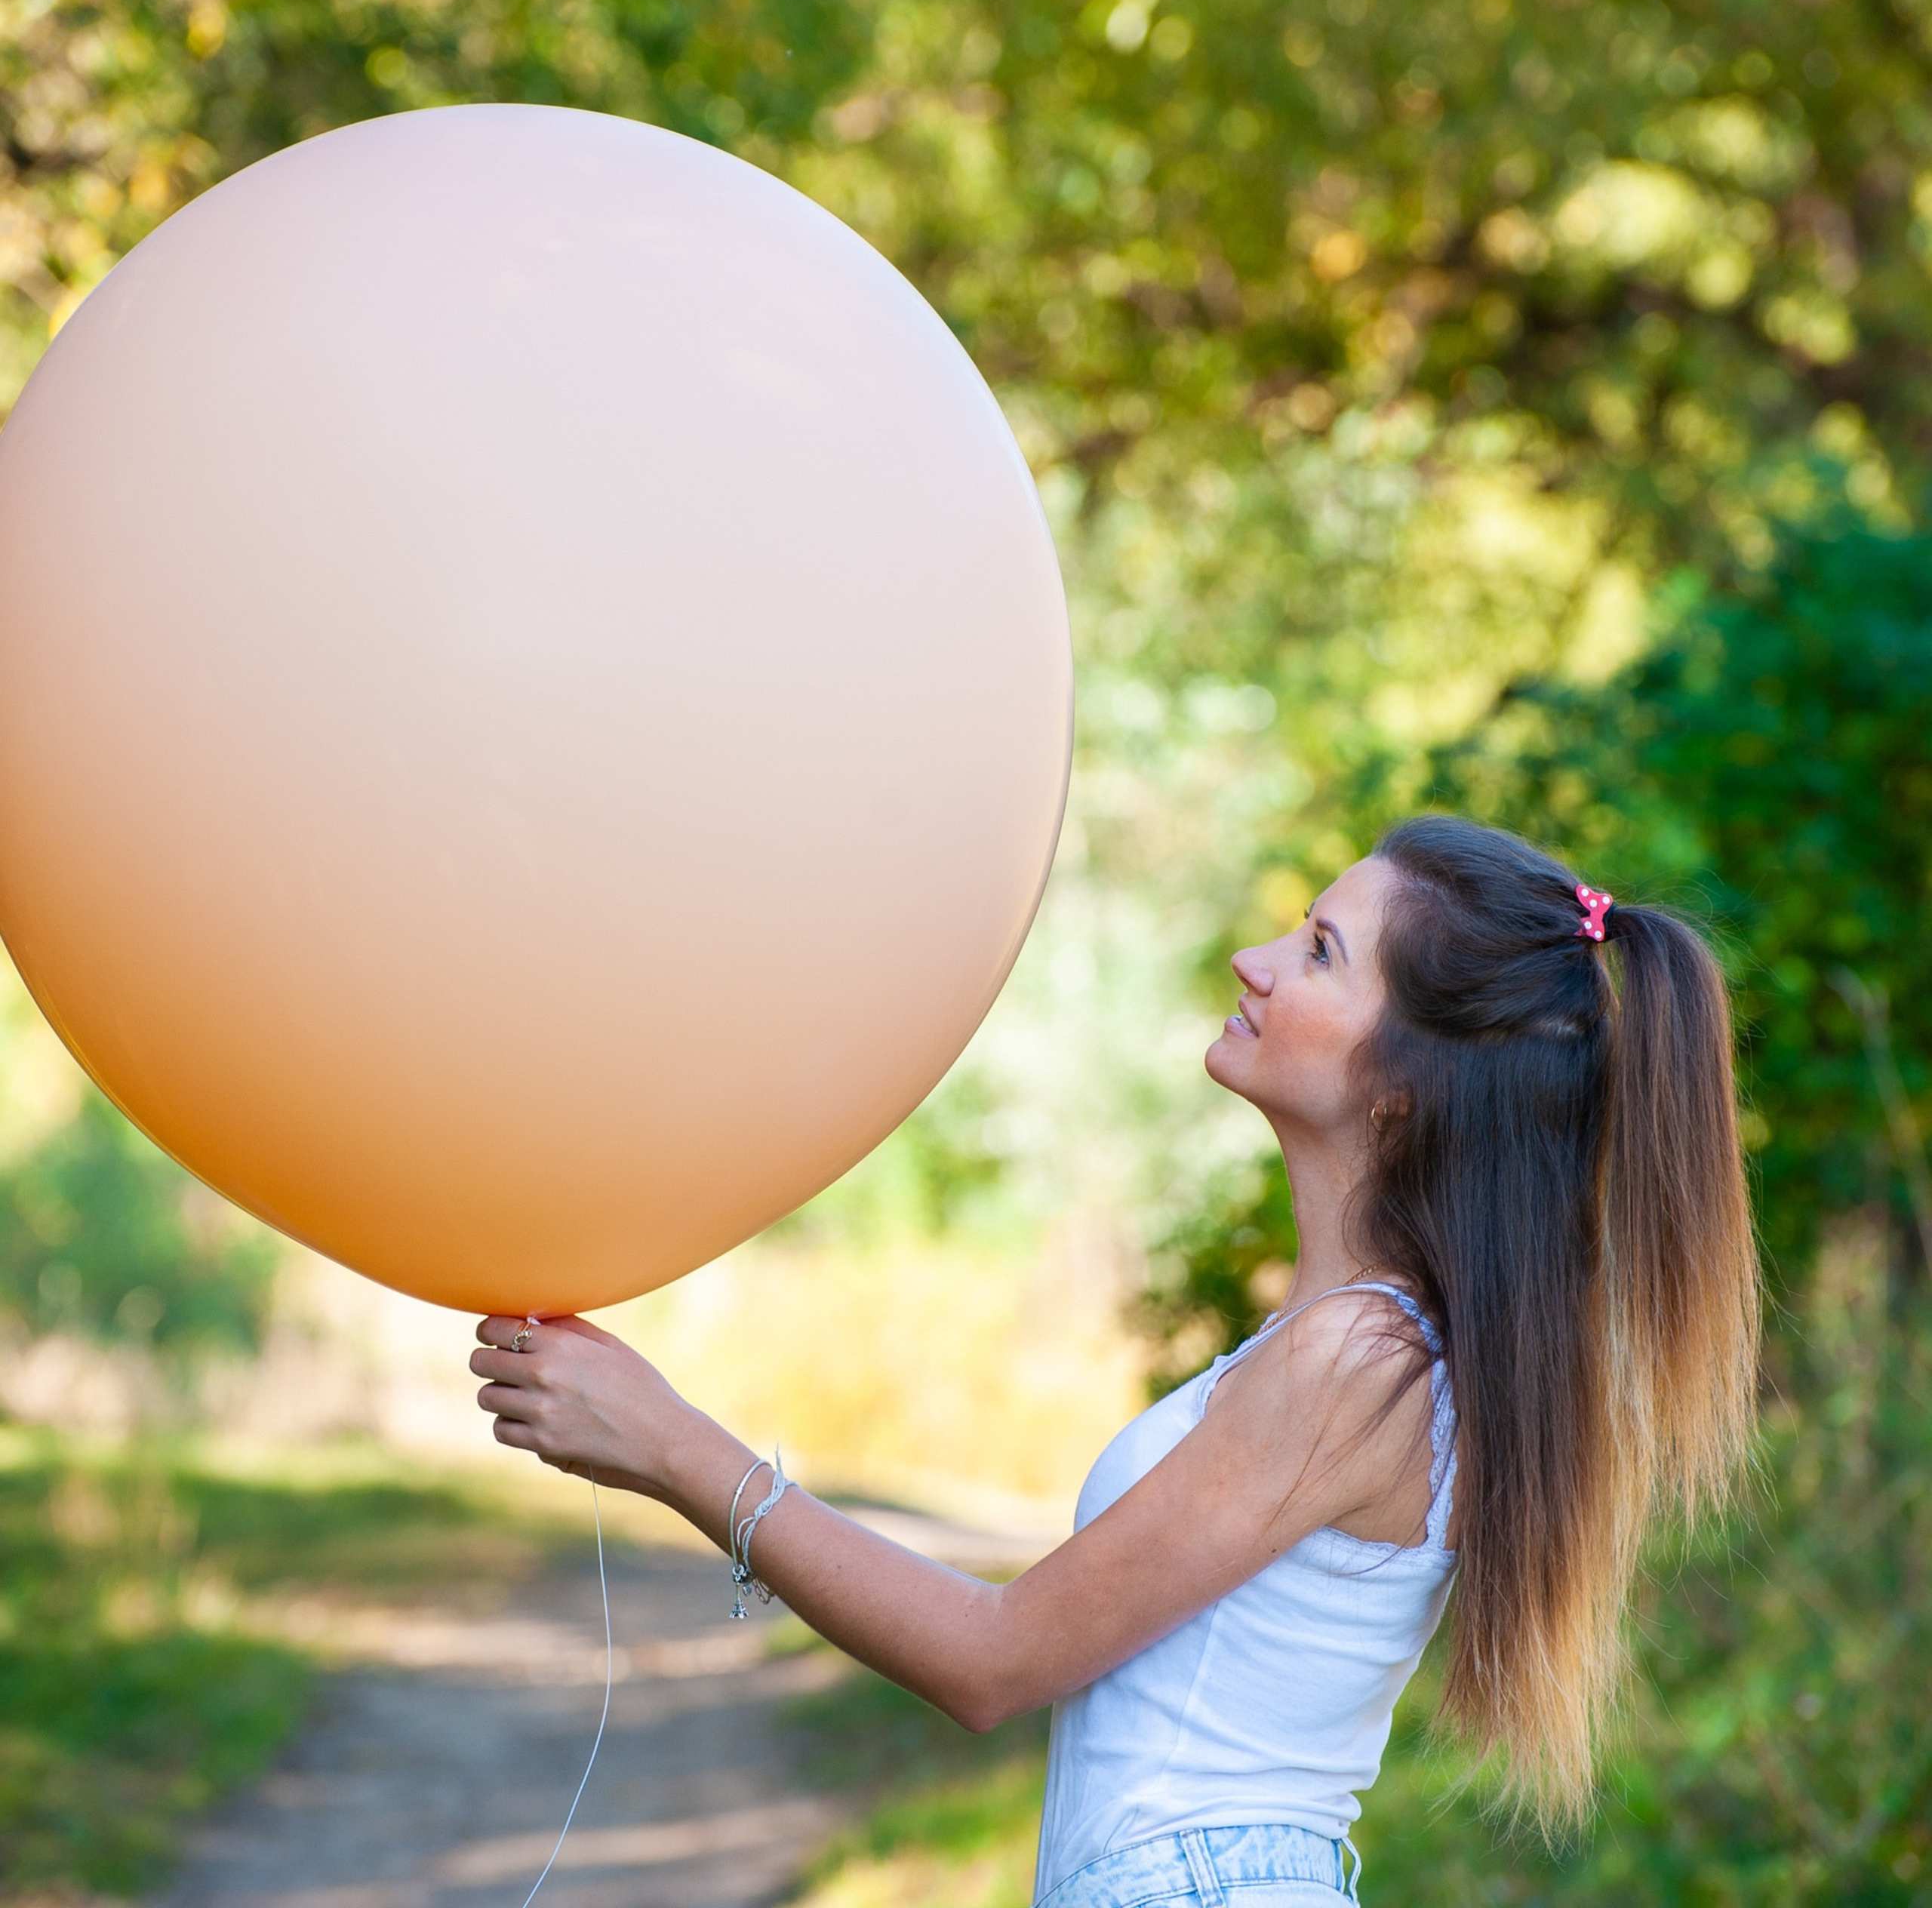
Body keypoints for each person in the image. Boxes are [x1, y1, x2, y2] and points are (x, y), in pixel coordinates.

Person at [469, 815, 1761, 1906]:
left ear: (1403, 1089)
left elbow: (997, 1659)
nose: (1256, 963)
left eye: (1319, 953)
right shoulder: (1358, 1345)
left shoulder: (1357, 1364)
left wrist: (673, 1447)